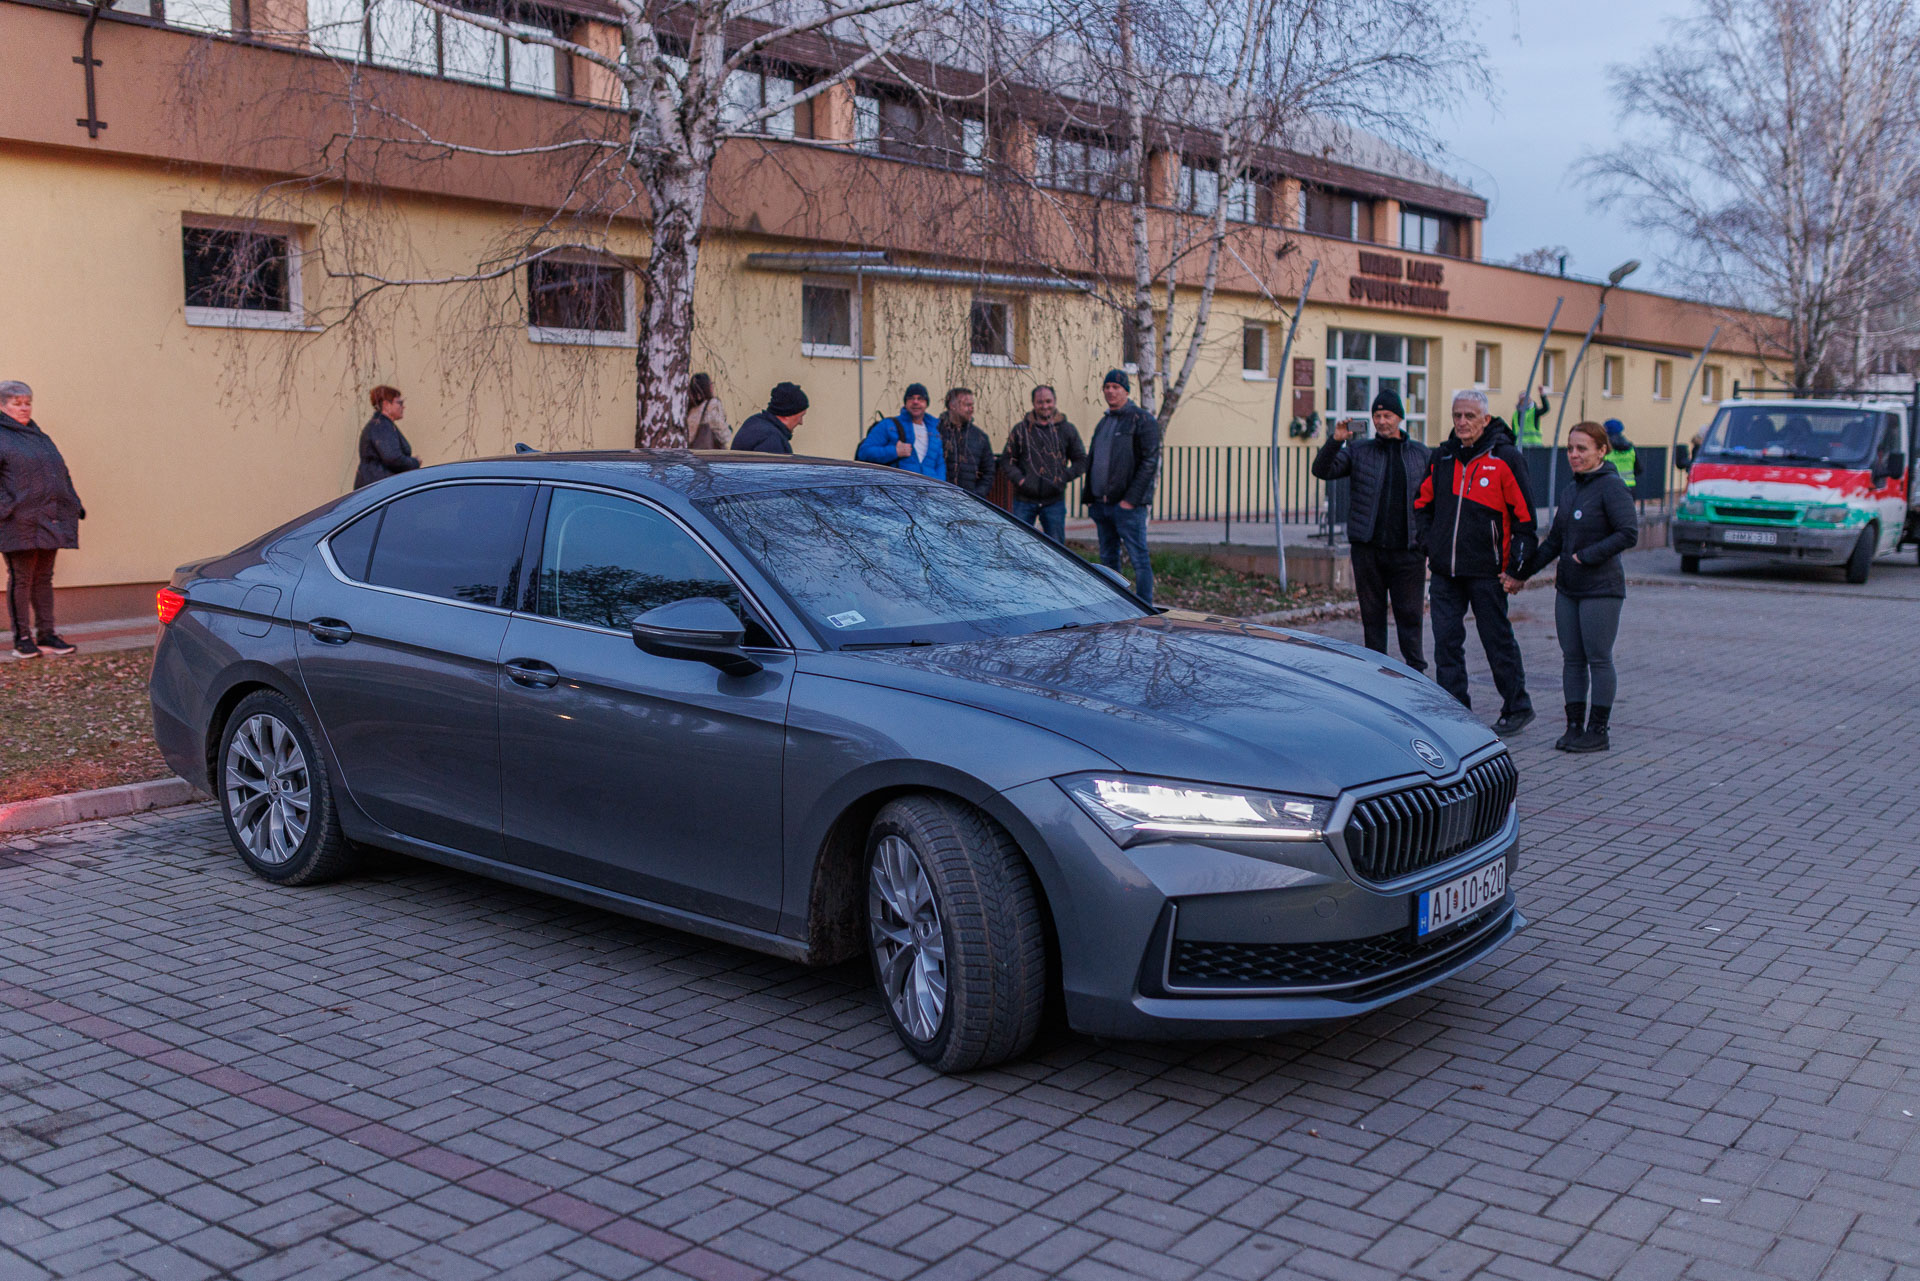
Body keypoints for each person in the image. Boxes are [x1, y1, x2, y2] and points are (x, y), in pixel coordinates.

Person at [1507, 421, 1638, 752]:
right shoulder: (1571, 490)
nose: (1574, 454)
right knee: (1572, 659)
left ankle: (1598, 731)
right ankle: (1574, 727)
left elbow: (1628, 533)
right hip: (1568, 588)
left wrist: (1585, 556)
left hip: (1601, 589)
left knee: (1598, 658)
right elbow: (1554, 542)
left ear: (1601, 451)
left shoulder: (1611, 487)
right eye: (1570, 448)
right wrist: (1520, 574)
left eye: (1582, 448)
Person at [1415, 389, 1538, 735]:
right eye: (1457, 415)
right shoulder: (1442, 456)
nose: (1462, 422)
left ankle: (1518, 706)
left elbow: (1525, 519)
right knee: (1446, 643)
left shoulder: (1506, 458)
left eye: (1469, 416)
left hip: (1487, 571)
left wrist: (1516, 568)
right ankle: (1455, 710)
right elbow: (1421, 505)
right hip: (1445, 571)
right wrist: (1429, 544)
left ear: (1485, 419)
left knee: (1496, 640)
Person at [1311, 387, 1431, 671]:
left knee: (1410, 617)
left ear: (1399, 418)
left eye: (1387, 415)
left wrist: (1428, 540)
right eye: (1377, 416)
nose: (1381, 421)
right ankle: (1375, 675)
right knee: (1372, 617)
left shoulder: (1421, 454)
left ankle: (1417, 674)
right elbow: (1322, 470)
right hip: (1368, 550)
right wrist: (1336, 440)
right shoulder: (1359, 451)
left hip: (1408, 552)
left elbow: (1433, 499)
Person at [0, 381, 85, 659]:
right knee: (22, 578)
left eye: (28, 403)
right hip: (17, 521)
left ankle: (47, 634)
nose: (24, 408)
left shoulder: (39, 437)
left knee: (43, 578)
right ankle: (22, 639)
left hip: (49, 519)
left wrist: (73, 502)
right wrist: (7, 507)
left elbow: (60, 473)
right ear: (2, 406)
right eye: (17, 403)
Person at [1085, 369, 1162, 604]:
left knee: (1139, 559)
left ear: (1126, 391)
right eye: (1107, 387)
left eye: (1116, 387)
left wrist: (1130, 501)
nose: (1110, 391)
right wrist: (1091, 499)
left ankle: (1145, 606)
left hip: (1128, 507)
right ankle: (1114, 605)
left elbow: (1150, 463)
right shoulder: (1104, 422)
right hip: (1102, 505)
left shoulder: (1142, 420)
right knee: (1108, 562)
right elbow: (1094, 459)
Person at [1002, 385, 1086, 542]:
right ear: (1033, 403)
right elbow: (1007, 459)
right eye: (1040, 402)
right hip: (1023, 500)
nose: (1045, 406)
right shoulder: (1020, 430)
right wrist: (1020, 480)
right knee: (1017, 544)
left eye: (1048, 401)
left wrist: (1061, 478)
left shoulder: (1067, 430)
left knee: (1056, 547)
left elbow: (1081, 460)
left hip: (1054, 501)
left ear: (1055, 401)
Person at [857, 383, 946, 478]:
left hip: (928, 486)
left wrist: (939, 484)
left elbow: (940, 464)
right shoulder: (888, 425)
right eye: (911, 398)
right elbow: (864, 452)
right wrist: (895, 451)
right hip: (898, 485)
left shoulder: (935, 430)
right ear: (905, 403)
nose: (915, 402)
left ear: (926, 403)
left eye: (920, 398)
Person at [354, 385, 420, 490]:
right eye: (399, 402)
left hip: (377, 487)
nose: (403, 407)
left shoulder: (382, 424)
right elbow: (393, 458)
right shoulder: (381, 426)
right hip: (378, 489)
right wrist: (414, 462)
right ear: (386, 405)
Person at [938, 387, 996, 498]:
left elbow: (988, 472)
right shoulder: (936, 432)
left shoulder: (980, 437)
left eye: (972, 405)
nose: (971, 409)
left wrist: (976, 496)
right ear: (952, 405)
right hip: (938, 499)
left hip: (967, 502)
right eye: (967, 405)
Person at [732, 382, 808, 453]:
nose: (801, 422)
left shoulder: (754, 422)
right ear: (787, 415)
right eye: (800, 416)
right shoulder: (771, 439)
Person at [686, 373, 732, 450]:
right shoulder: (711, 405)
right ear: (707, 387)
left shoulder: (689, 409)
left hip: (691, 454)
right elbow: (723, 436)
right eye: (711, 384)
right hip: (708, 454)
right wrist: (729, 430)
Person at [1603, 418, 1641, 495]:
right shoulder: (1631, 448)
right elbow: (1639, 469)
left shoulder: (1604, 449)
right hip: (1629, 486)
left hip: (1610, 486)